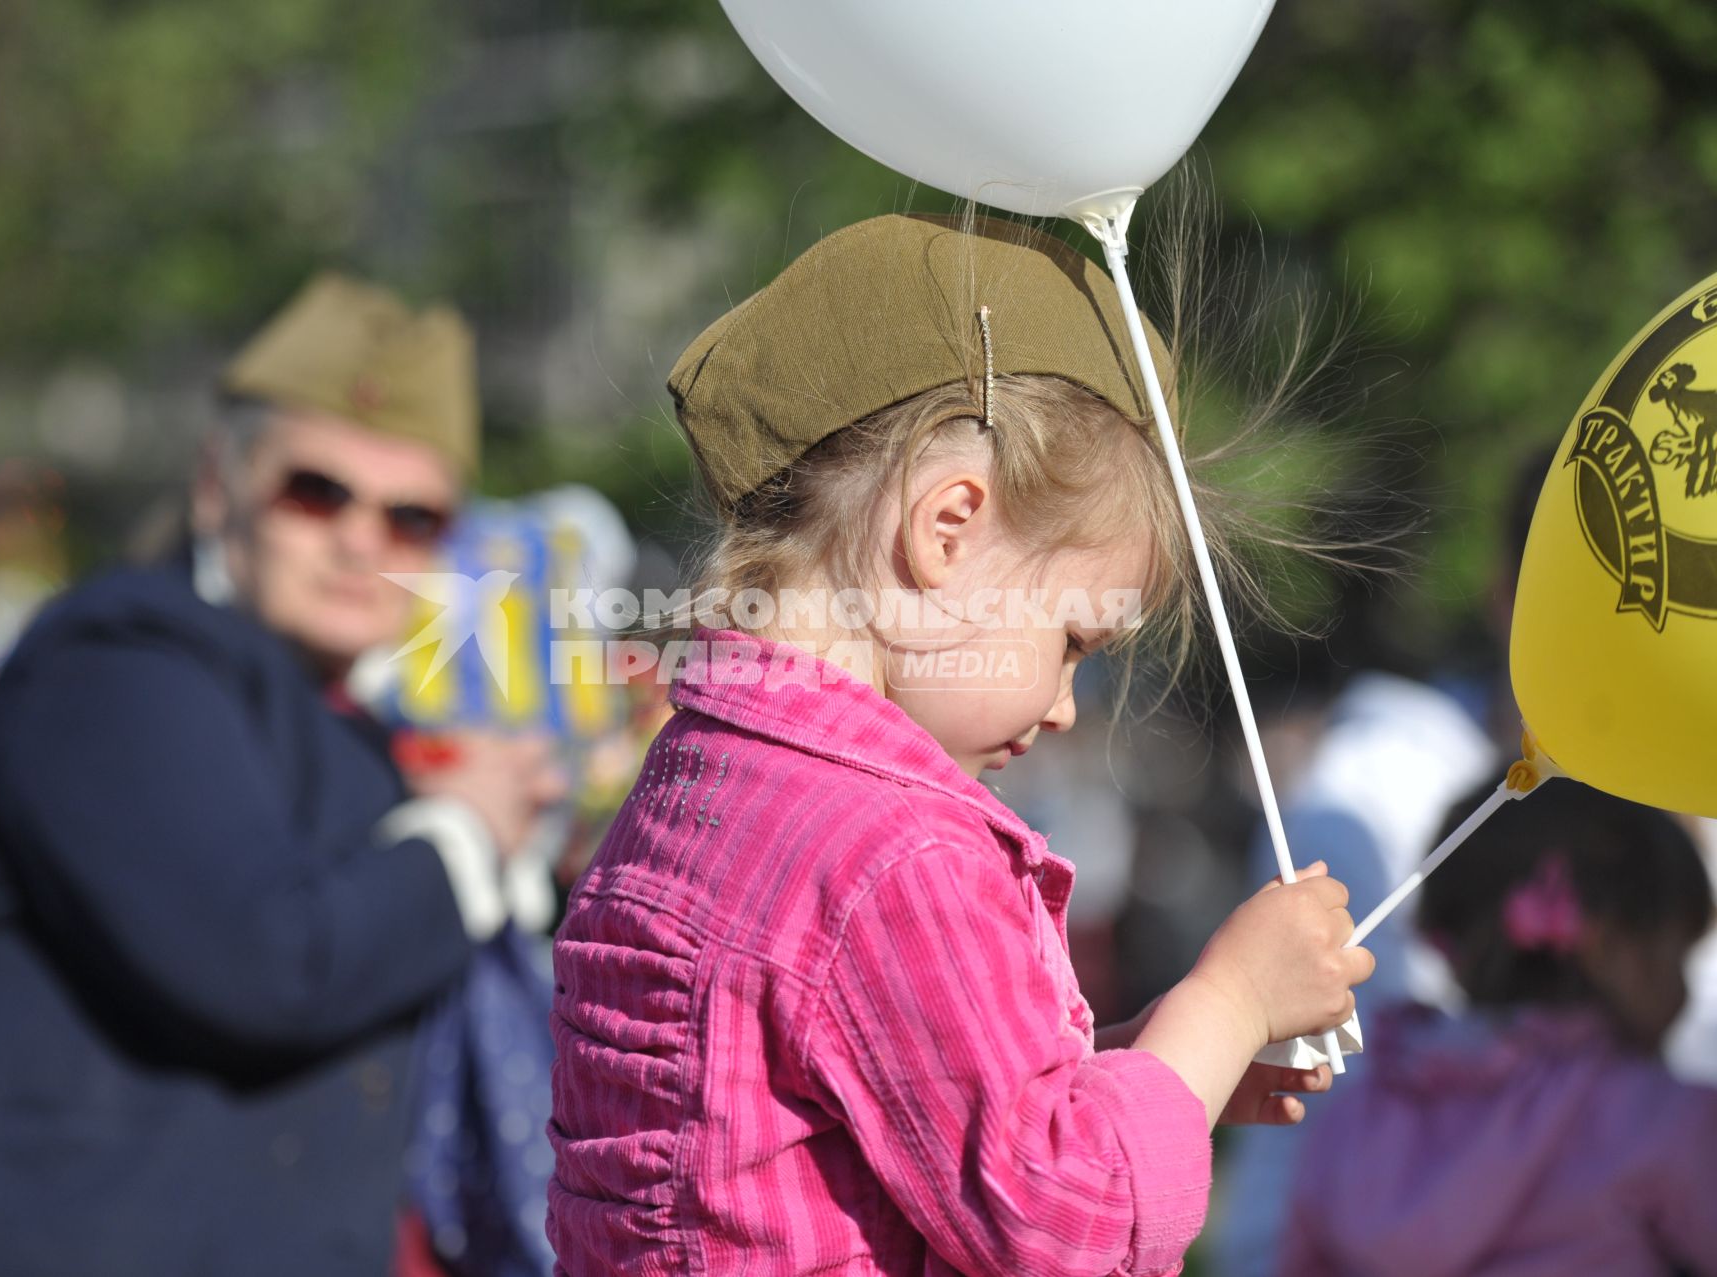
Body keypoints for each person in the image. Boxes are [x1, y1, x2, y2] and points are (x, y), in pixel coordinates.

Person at [546, 214, 1373, 1274]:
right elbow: (1061, 1219)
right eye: (1075, 638)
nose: (1071, 703)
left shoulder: (695, 774)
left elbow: (886, 1109)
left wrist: (1166, 1061)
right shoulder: (895, 851)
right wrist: (1231, 1001)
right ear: (949, 529)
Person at [0, 273, 561, 1277]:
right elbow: (264, 964)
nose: (358, 539)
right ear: (219, 486)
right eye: (316, 489)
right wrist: (463, 834)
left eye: (410, 515)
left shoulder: (349, 714)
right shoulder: (120, 659)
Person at [1282, 779, 1717, 1276]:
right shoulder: (1666, 1121)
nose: (1685, 992)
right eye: (1678, 954)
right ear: (1608, 943)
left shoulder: (1358, 1114)